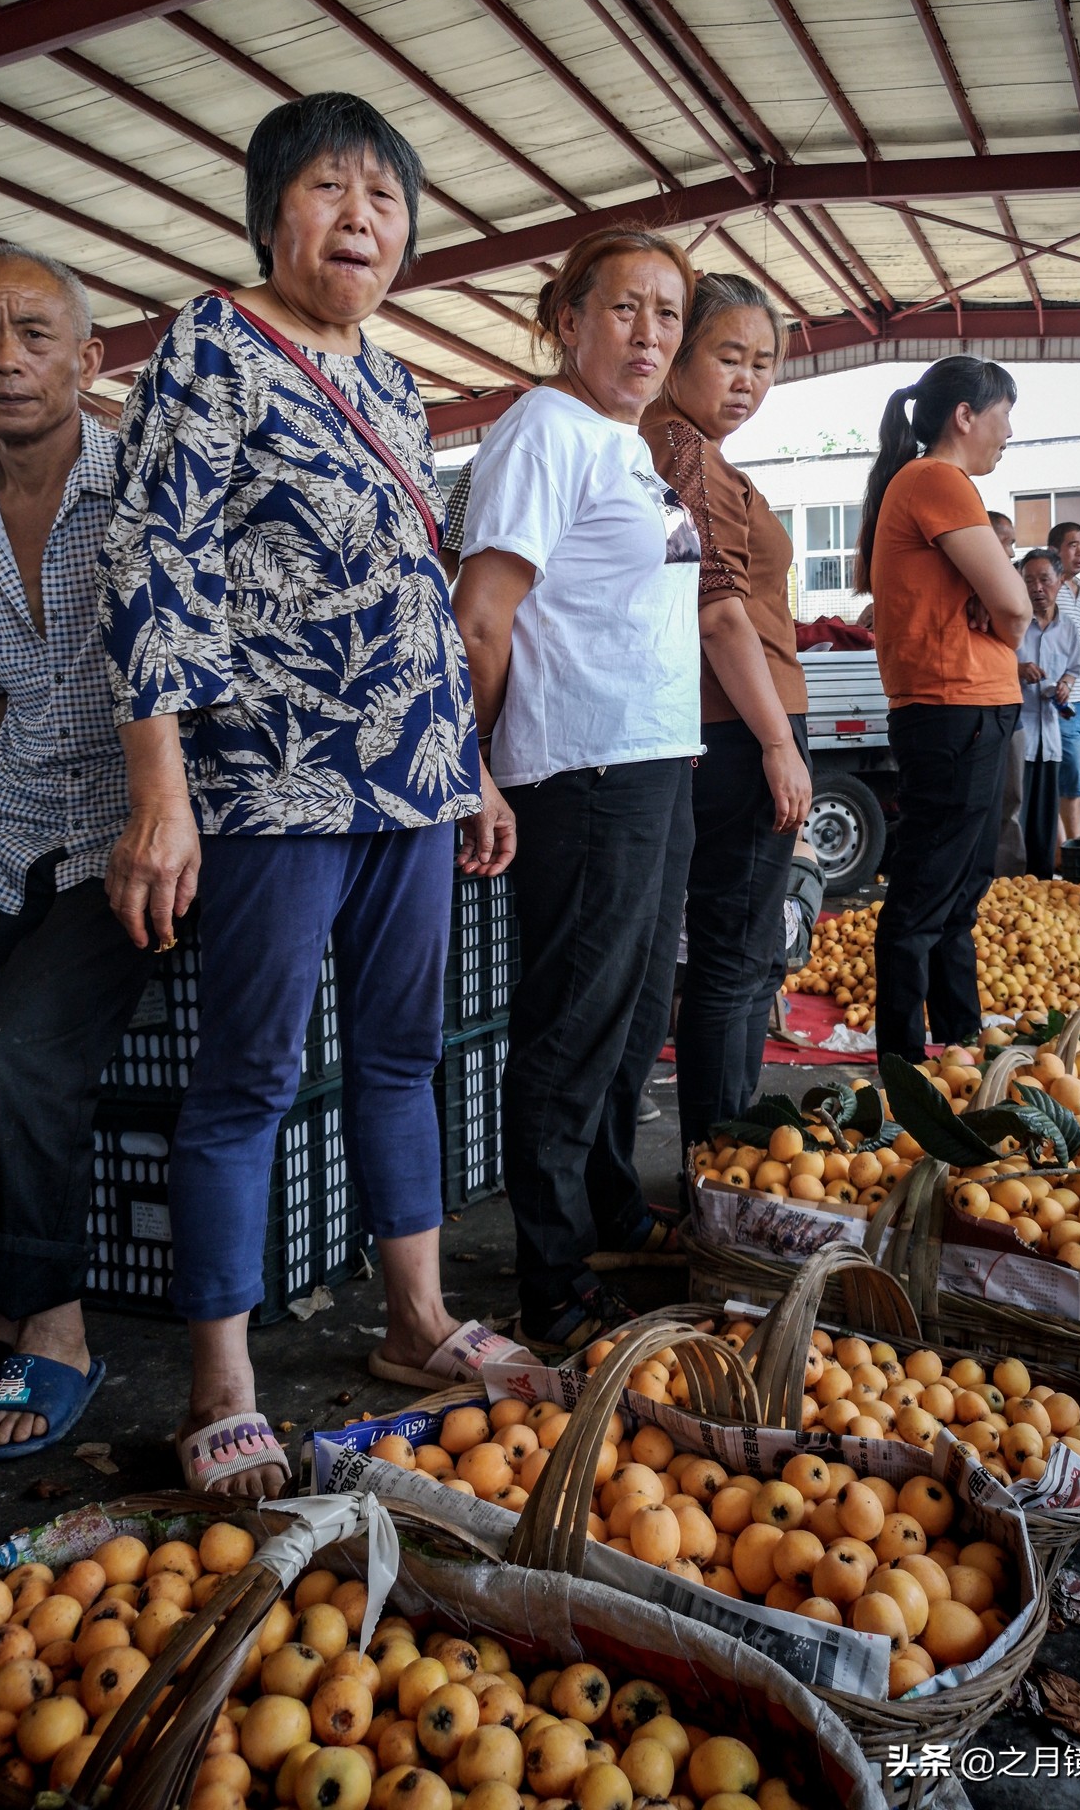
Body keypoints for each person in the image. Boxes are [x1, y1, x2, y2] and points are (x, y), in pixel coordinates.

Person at [98, 93, 523, 1499]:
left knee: (401, 1057)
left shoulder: (395, 384)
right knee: (250, 1081)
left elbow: (418, 593)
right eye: (331, 191)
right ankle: (220, 1383)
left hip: (407, 779)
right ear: (270, 211)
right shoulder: (207, 348)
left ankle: (415, 1321)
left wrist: (463, 766)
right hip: (270, 783)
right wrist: (160, 791)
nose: (362, 219)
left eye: (386, 199)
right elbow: (156, 569)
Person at [0, 245, 153, 1459]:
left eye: (34, 332)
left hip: (133, 824)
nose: (4, 357)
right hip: (4, 824)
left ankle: (55, 1328)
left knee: (14, 1050)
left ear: (88, 359)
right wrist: (28, 785)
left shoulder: (147, 487)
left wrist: (151, 812)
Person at [452, 226, 700, 1355]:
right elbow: (482, 616)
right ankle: (549, 1276)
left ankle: (605, 1213)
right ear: (565, 318)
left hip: (650, 757)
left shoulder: (622, 442)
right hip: (581, 766)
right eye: (623, 309)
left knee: (631, 1011)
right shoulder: (544, 431)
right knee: (569, 1023)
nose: (649, 334)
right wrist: (484, 761)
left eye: (667, 313)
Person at [640, 274, 813, 1138]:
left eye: (763, 363)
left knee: (735, 952)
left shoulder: (688, 447)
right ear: (676, 355)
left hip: (736, 726)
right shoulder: (682, 450)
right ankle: (722, 1160)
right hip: (741, 729)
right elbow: (718, 613)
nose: (746, 380)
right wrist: (779, 743)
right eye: (727, 357)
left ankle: (733, 1147)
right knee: (732, 955)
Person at [855, 358, 1029, 1061]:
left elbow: (1002, 601)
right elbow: (1014, 604)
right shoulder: (936, 479)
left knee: (956, 892)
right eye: (1002, 416)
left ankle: (959, 1043)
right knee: (927, 894)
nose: (1007, 433)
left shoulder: (927, 482)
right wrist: (1001, 618)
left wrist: (995, 613)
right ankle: (901, 1062)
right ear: (964, 415)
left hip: (968, 710)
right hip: (954, 710)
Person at [1016, 549, 1080, 879]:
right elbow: (993, 666)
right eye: (1029, 580)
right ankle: (1011, 880)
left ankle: (1040, 882)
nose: (1037, 587)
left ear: (1059, 582)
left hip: (1050, 735)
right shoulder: (1012, 624)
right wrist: (1018, 669)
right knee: (1016, 814)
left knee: (1044, 813)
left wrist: (1066, 685)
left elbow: (1073, 668)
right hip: (1018, 734)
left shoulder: (1068, 629)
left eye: (1044, 580)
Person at [1048, 521, 1080, 847]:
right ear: (1055, 550)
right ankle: (1072, 852)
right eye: (1072, 545)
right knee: (1073, 778)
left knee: (1079, 782)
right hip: (1063, 700)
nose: (1079, 551)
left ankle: (1064, 852)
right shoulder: (1049, 588)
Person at [988, 510, 1027, 877]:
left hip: (1009, 707)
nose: (1013, 552)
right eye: (1008, 542)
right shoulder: (978, 579)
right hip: (981, 707)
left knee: (1010, 799)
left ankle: (1010, 880)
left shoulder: (1008, 580)